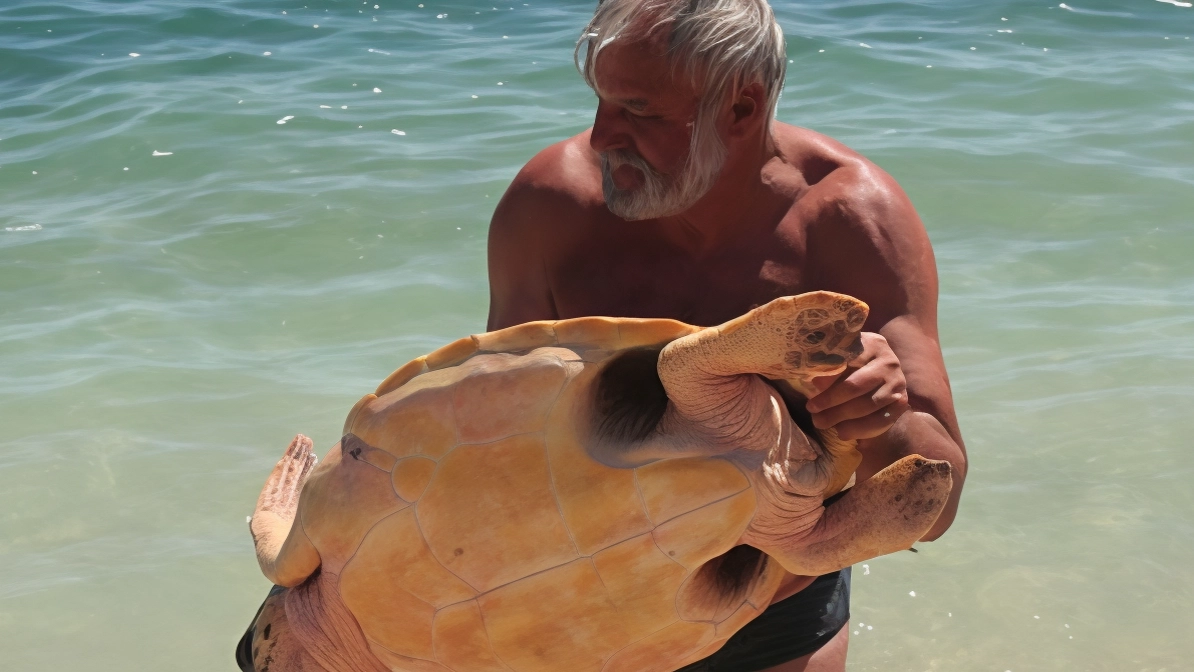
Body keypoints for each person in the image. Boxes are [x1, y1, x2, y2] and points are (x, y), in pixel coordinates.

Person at [485, 1, 968, 670]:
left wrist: (882, 414)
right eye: (599, 100)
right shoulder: (551, 208)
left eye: (639, 110)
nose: (601, 137)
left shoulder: (849, 220)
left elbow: (937, 499)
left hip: (774, 608)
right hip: (583, 596)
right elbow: (498, 436)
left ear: (741, 109)